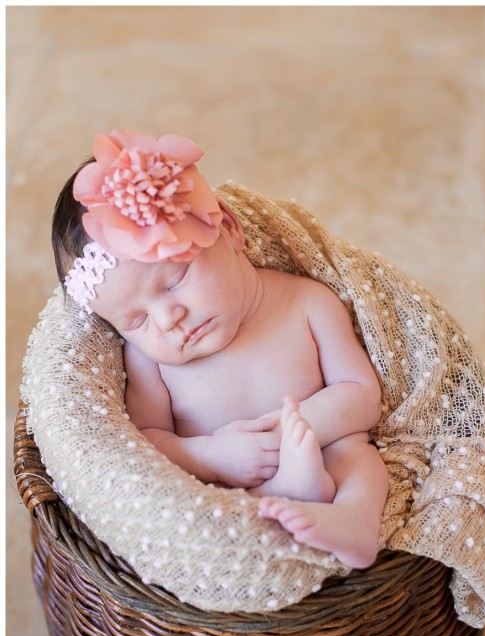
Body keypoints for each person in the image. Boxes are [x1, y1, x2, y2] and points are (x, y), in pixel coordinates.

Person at [52, 129, 389, 568]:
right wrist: (208, 457)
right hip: (227, 495)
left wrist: (298, 430)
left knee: (359, 459)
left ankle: (353, 519)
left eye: (175, 280)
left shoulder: (307, 302)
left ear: (228, 229)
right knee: (189, 506)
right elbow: (146, 441)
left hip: (326, 453)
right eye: (137, 320)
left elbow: (362, 393)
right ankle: (280, 505)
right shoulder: (148, 360)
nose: (168, 319)